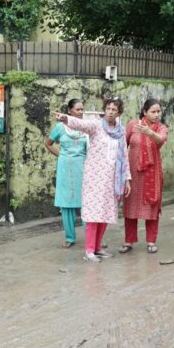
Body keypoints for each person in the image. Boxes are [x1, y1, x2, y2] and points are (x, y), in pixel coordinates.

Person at [55, 98, 131, 262]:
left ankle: (97, 248)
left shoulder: (121, 132)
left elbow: (124, 156)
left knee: (105, 213)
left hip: (112, 179)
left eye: (114, 109)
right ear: (105, 110)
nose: (111, 112)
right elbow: (80, 124)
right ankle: (89, 250)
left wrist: (127, 179)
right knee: (93, 214)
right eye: (108, 108)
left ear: (119, 113)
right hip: (94, 177)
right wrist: (65, 118)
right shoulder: (96, 125)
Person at [120, 99, 168, 254]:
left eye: (158, 111)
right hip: (132, 174)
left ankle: (151, 241)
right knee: (130, 208)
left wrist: (150, 132)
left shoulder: (161, 128)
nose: (156, 115)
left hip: (151, 175)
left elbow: (161, 140)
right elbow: (122, 145)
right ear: (144, 112)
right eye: (153, 111)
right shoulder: (133, 125)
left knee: (151, 209)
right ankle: (129, 241)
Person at [45, 98, 88, 248]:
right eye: (78, 109)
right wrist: (61, 156)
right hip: (65, 168)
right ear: (69, 111)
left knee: (87, 203)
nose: (81, 112)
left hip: (83, 168)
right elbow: (48, 143)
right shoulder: (60, 127)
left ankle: (91, 238)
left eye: (82, 109)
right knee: (67, 204)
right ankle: (70, 238)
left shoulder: (87, 127)